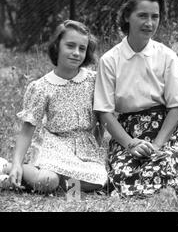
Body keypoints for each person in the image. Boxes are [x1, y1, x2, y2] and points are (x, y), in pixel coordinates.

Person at [94, 0, 178, 197]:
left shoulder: (167, 56)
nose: (149, 23)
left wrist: (158, 144)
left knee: (164, 166)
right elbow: (104, 112)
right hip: (128, 133)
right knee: (123, 174)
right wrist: (130, 144)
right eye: (142, 15)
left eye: (154, 17)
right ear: (127, 17)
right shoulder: (110, 60)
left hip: (165, 132)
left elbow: (177, 107)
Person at [0, 20, 108, 193]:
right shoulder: (42, 87)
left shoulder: (93, 80)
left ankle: (59, 186)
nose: (76, 53)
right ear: (57, 46)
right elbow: (27, 130)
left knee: (98, 181)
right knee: (47, 180)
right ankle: (9, 167)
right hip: (55, 145)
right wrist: (17, 163)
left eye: (82, 48)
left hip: (85, 148)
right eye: (70, 46)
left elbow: (105, 118)